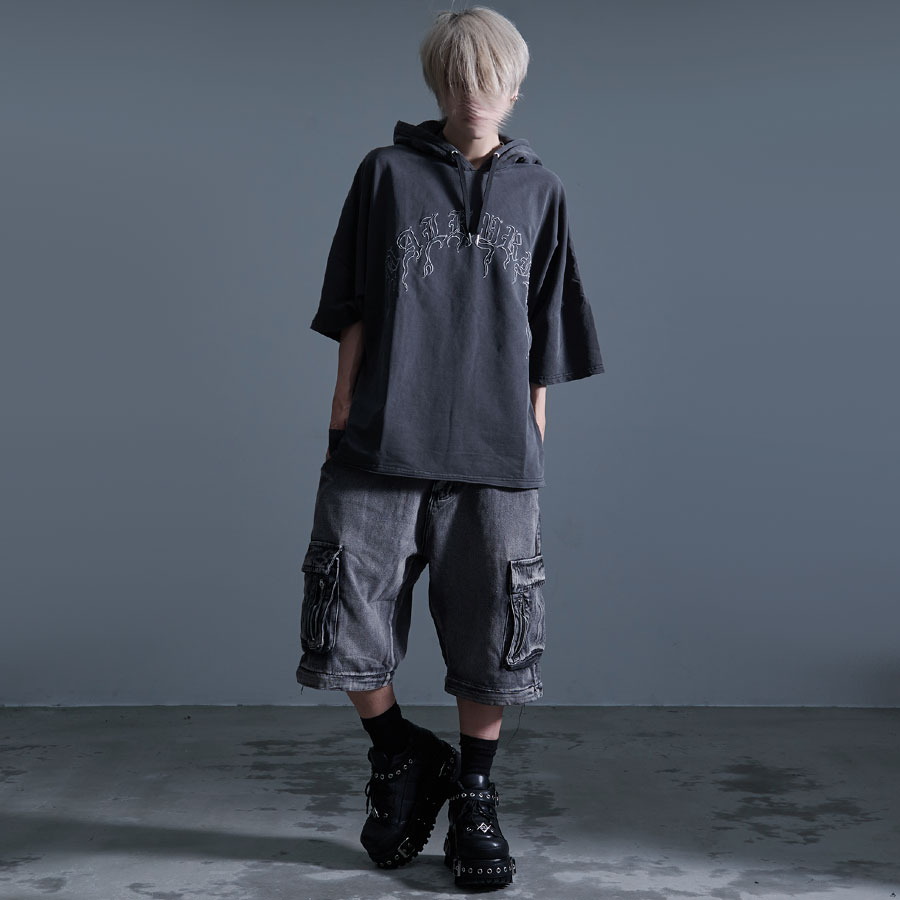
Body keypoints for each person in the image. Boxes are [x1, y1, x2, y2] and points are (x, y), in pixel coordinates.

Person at [295, 5, 604, 888]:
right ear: (439, 83)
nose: (475, 93)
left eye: (490, 77)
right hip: (382, 441)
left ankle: (473, 793)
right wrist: (342, 410)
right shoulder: (385, 174)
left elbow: (545, 333)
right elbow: (352, 302)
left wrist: (531, 442)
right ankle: (399, 752)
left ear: (514, 85)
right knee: (342, 621)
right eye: (460, 77)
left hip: (496, 455)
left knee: (495, 633)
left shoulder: (542, 193)